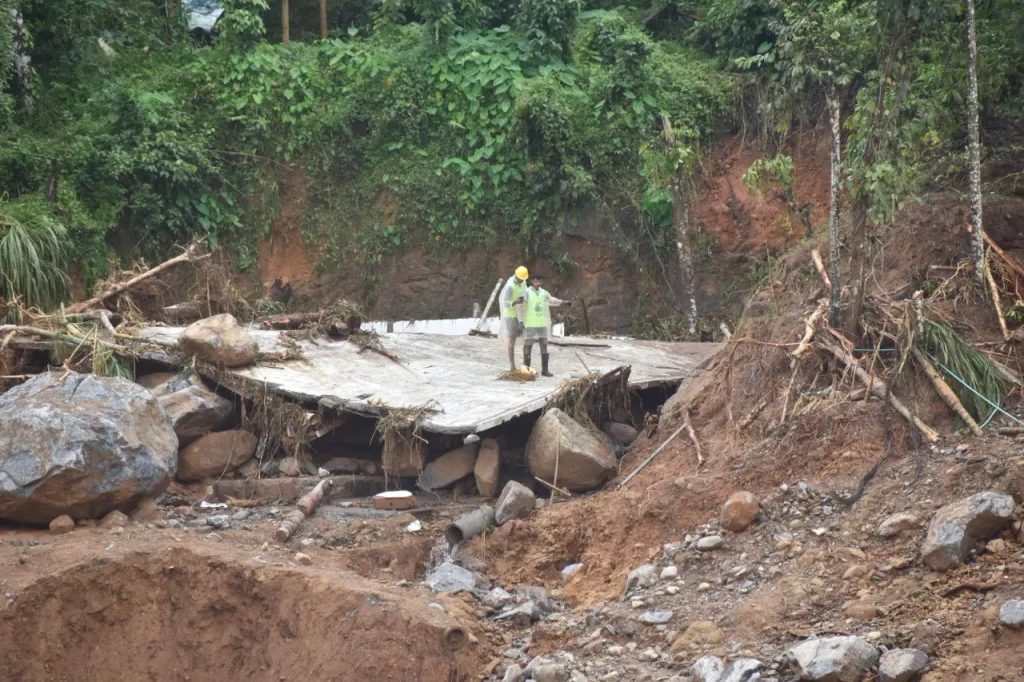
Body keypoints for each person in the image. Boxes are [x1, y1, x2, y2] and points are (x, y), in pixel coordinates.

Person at [522, 273, 570, 377]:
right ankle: (526, 369)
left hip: (541, 323)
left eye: (539, 281)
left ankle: (545, 370)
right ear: (532, 281)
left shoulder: (544, 293)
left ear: (541, 282)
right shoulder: (527, 292)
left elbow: (552, 300)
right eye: (536, 280)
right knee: (528, 345)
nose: (538, 283)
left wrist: (563, 302)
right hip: (530, 324)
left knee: (544, 344)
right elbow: (521, 304)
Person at [499, 265, 529, 371]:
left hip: (520, 313)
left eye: (524, 279)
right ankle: (512, 366)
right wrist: (515, 302)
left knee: (527, 339)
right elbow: (505, 303)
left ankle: (526, 365)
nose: (522, 281)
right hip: (510, 315)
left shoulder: (523, 282)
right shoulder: (510, 286)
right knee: (512, 340)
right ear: (517, 276)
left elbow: (525, 291)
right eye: (521, 279)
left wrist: (524, 298)